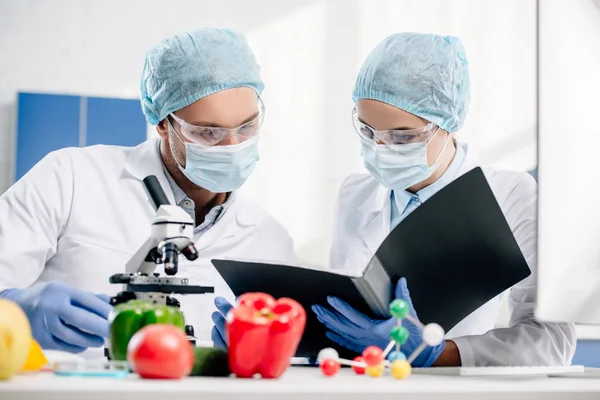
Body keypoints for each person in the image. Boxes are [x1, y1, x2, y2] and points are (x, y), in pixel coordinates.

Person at [0, 28, 296, 355]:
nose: (232, 146)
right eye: (208, 132)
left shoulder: (272, 240)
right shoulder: (69, 178)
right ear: (162, 123)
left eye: (247, 127)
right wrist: (13, 309)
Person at [311, 32, 575, 367]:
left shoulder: (511, 195)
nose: (380, 148)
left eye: (402, 136)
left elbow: (552, 342)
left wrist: (437, 353)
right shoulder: (354, 195)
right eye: (367, 131)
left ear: (447, 123)